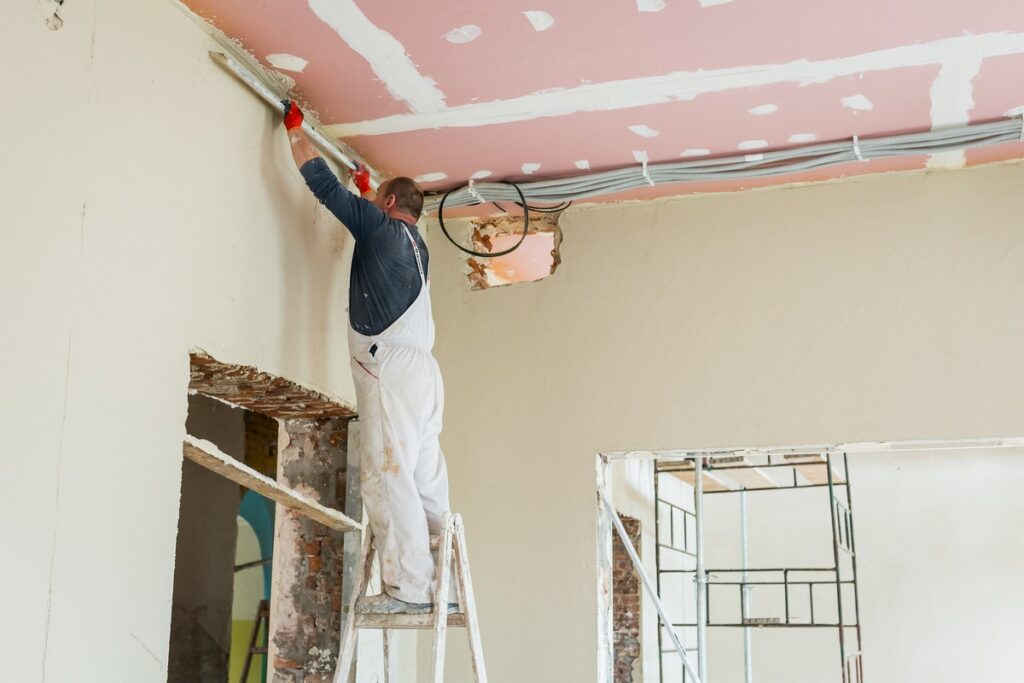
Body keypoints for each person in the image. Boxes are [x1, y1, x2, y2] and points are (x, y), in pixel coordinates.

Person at [283, 101, 453, 615]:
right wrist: (367, 188)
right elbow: (374, 218)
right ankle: (444, 587)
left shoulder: (379, 228)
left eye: (378, 199)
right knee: (425, 479)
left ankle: (410, 589)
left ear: (388, 202)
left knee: (387, 475)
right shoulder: (417, 245)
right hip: (424, 373)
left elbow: (322, 185)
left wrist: (295, 132)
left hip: (389, 368)